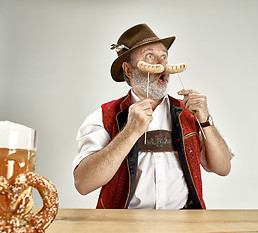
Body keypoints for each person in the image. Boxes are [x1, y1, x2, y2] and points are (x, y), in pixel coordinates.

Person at [73, 23, 233, 209]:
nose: (161, 64)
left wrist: (206, 122)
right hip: (122, 228)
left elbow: (223, 168)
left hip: (184, 227)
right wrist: (130, 132)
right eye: (150, 56)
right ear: (128, 70)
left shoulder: (189, 112)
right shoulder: (104, 116)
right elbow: (83, 184)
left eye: (163, 56)